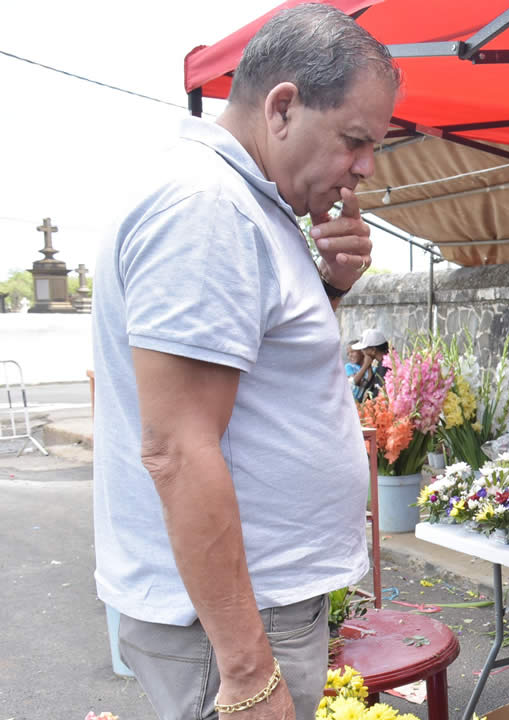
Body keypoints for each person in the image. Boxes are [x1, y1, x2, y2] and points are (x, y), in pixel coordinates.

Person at [90, 5, 399, 719]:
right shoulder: (209, 208)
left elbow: (261, 380)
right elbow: (177, 448)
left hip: (249, 606)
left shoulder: (248, 205)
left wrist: (329, 290)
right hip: (227, 627)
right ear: (282, 106)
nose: (366, 166)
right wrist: (248, 669)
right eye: (356, 139)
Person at [350, 327, 391, 401]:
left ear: (373, 350)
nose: (362, 352)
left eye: (364, 349)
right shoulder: (382, 363)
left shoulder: (385, 367)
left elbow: (379, 395)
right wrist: (368, 366)